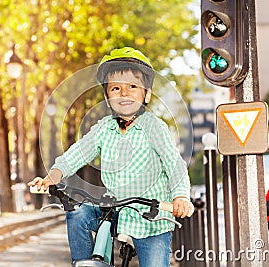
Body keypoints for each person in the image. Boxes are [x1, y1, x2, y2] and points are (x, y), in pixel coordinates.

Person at [28, 47, 192, 267]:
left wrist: (180, 196)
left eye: (133, 87)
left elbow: (174, 163)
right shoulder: (104, 129)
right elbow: (77, 153)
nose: (124, 93)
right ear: (107, 98)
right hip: (116, 212)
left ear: (147, 94)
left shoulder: (153, 127)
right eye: (116, 88)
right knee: (78, 214)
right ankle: (84, 264)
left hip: (151, 219)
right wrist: (52, 177)